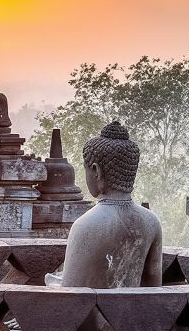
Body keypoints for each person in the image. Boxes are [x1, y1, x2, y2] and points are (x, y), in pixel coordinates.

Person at [60, 121, 162, 288]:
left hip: (92, 305)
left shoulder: (84, 225)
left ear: (96, 171)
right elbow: (154, 288)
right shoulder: (152, 222)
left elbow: (70, 294)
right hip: (135, 305)